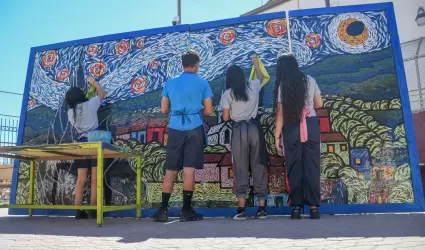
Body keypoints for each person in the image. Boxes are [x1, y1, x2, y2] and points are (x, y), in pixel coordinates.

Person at [153, 50, 213, 222]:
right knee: (189, 171)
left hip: (175, 128)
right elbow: (208, 111)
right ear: (196, 65)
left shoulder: (170, 83)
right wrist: (196, 109)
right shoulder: (203, 83)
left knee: (170, 170)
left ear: (182, 64)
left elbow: (164, 109)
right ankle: (186, 211)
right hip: (194, 128)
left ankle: (162, 210)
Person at [274, 54, 323, 220]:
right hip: (310, 124)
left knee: (294, 167)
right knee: (312, 165)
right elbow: (319, 104)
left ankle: (296, 207)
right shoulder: (310, 79)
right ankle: (314, 208)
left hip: (291, 125)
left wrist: (277, 136)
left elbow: (280, 113)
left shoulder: (283, 85)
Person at [222, 56, 268, 220]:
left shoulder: (228, 93)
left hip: (239, 130)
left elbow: (226, 118)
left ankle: (241, 210)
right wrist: (256, 63)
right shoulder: (253, 86)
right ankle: (262, 209)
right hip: (255, 128)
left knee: (240, 168)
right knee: (259, 167)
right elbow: (262, 78)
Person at [65, 77, 107, 219]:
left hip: (81, 144)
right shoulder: (91, 104)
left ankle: (78, 210)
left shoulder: (70, 113)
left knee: (81, 178)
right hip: (94, 142)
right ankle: (93, 210)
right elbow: (103, 93)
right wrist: (95, 84)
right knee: (95, 178)